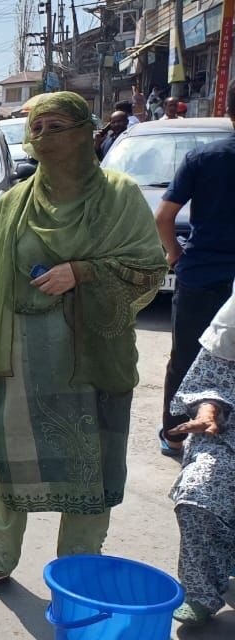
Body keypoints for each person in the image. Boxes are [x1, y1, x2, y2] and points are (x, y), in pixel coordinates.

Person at [0, 92, 167, 601]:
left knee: (89, 467)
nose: (46, 138)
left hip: (93, 357)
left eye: (57, 126)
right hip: (23, 357)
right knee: (11, 467)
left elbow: (150, 269)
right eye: (37, 128)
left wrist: (83, 272)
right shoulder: (14, 203)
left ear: (86, 132)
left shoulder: (118, 195)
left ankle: (77, 572)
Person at [156, 85, 235, 456]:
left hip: (202, 275)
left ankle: (174, 436)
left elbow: (164, 217)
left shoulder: (204, 157)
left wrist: (175, 254)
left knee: (186, 357)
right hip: (208, 274)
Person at [166, 286, 235, 627]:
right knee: (198, 489)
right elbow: (212, 381)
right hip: (229, 438)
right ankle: (202, 592)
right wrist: (209, 410)